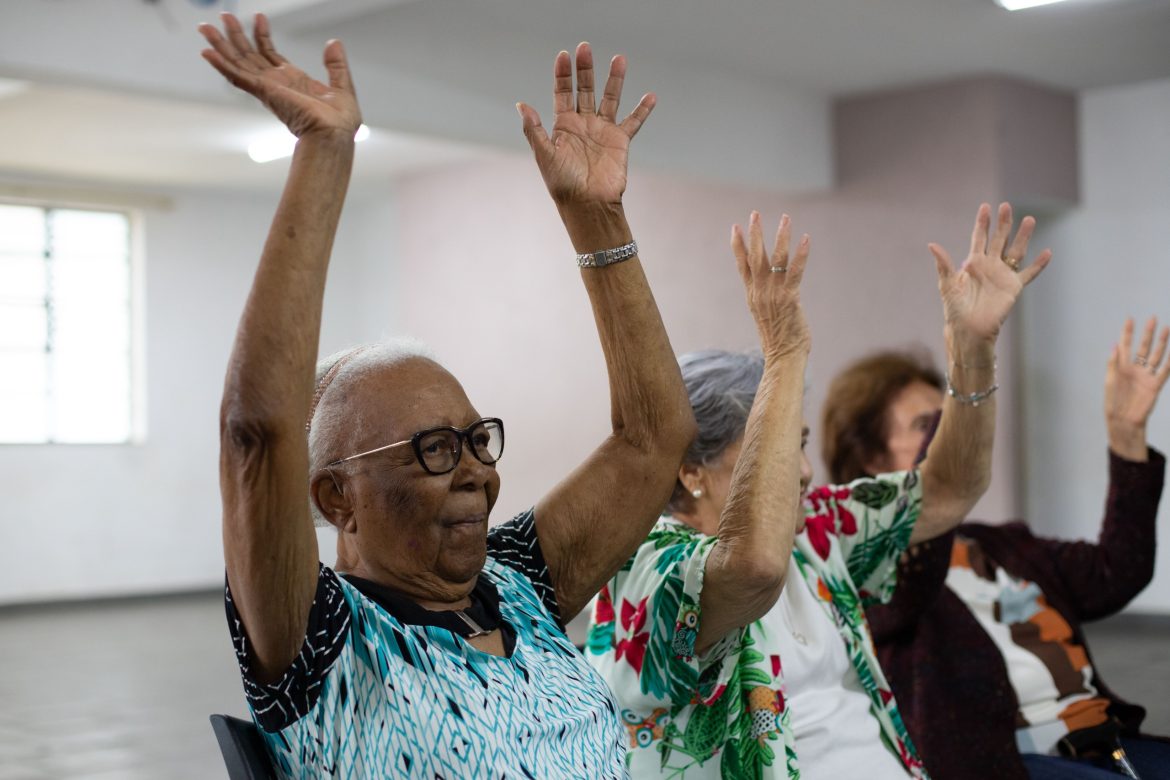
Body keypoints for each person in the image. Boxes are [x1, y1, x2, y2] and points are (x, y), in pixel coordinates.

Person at [200, 14, 696, 777]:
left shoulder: (517, 582)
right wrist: (327, 154)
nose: (474, 470)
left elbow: (653, 440)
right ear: (338, 499)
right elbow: (259, 434)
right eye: (433, 450)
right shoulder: (323, 637)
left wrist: (596, 218)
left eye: (474, 439)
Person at [587, 203, 1051, 778]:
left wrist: (972, 351)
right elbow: (751, 568)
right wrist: (784, 352)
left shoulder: (812, 531)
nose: (805, 471)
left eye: (801, 444)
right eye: (779, 451)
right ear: (691, 470)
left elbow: (951, 488)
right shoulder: (647, 562)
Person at [833, 319, 1170, 779]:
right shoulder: (868, 568)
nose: (952, 433)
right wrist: (966, 376)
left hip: (1108, 744)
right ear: (871, 459)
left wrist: (1126, 435)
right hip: (1010, 764)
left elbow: (1119, 570)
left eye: (948, 419)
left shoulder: (1001, 543)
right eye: (925, 424)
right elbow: (919, 557)